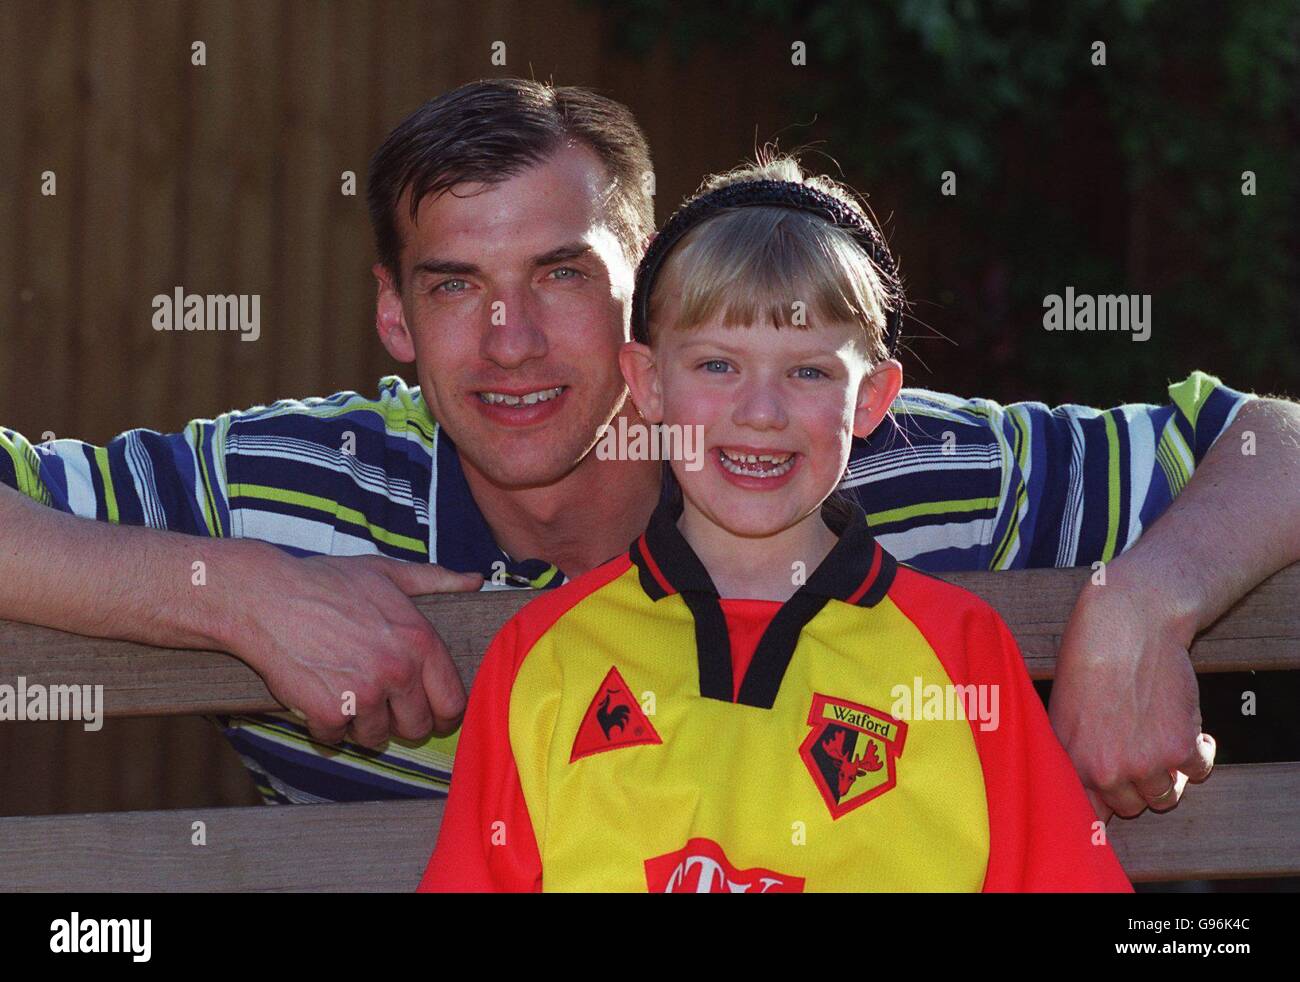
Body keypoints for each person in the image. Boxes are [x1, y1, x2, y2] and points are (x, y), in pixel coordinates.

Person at [0, 78, 1295, 817]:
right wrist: (237, 590)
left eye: (561, 272)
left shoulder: (840, 456)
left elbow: (1275, 440)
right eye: (455, 285)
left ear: (645, 300)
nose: (508, 338)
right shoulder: (296, 492)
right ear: (393, 313)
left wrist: (1148, 603)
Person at [419, 158, 1131, 892]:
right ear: (649, 384)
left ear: (872, 399)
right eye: (719, 366)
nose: (761, 412)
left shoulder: (958, 656)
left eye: (809, 373)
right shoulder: (548, 656)